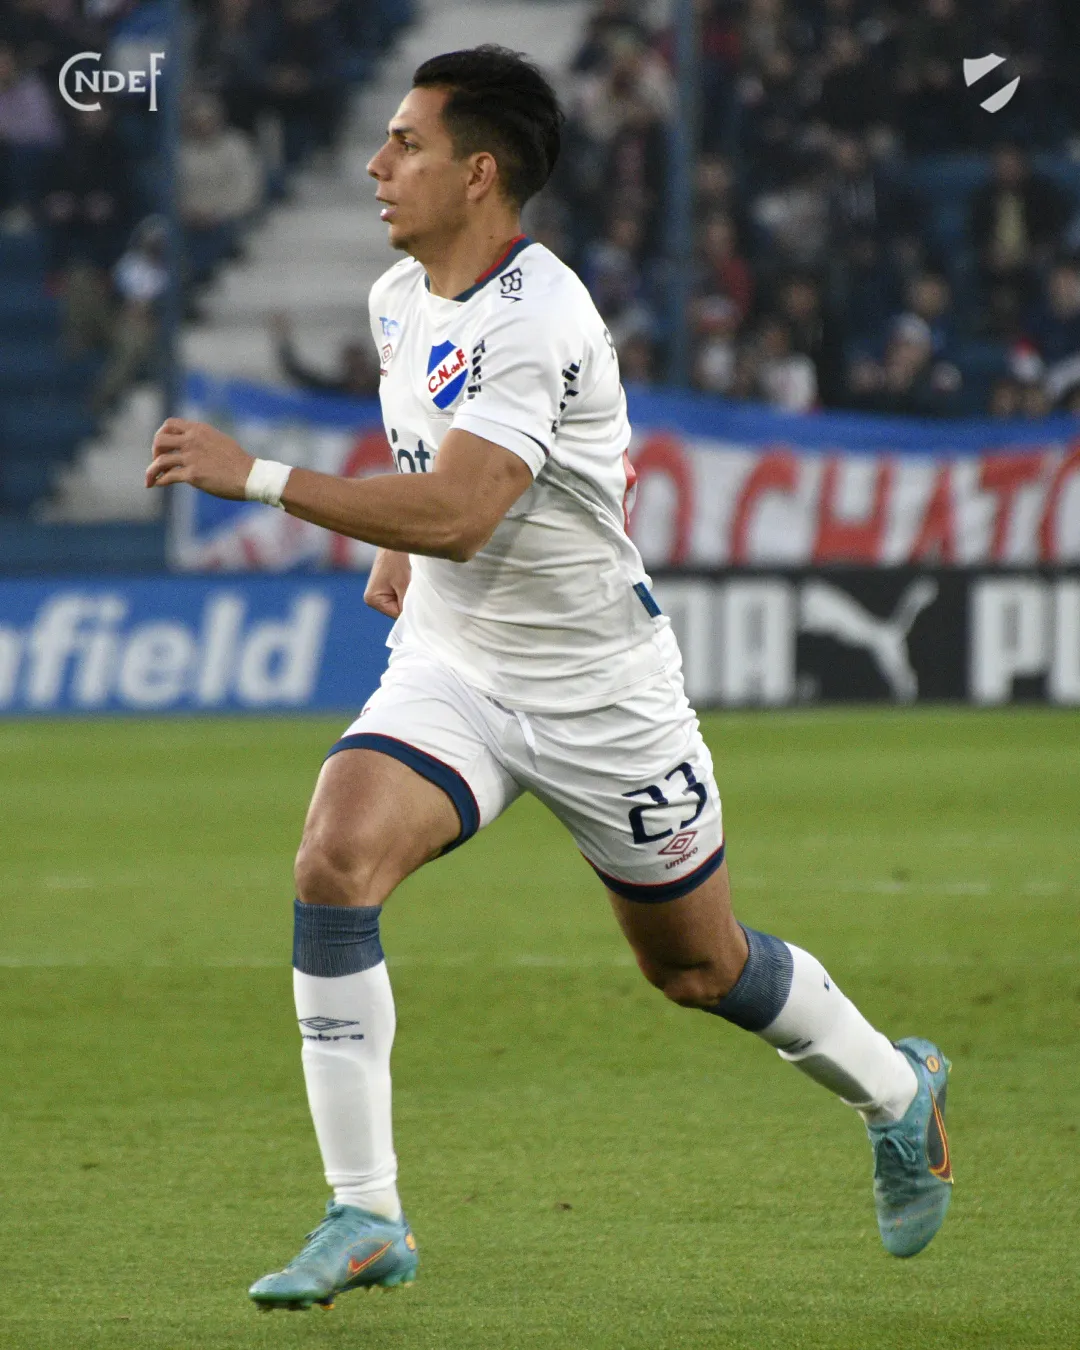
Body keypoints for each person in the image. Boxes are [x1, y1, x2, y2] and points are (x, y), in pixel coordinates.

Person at [146, 45, 954, 1314]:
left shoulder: (541, 315)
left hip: (599, 696)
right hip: (456, 668)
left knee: (698, 968)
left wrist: (259, 478)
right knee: (333, 861)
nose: (376, 164)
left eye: (406, 143)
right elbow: (435, 468)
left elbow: (467, 512)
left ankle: (900, 1093)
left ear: (480, 173)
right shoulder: (399, 299)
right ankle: (367, 1211)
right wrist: (393, 547)